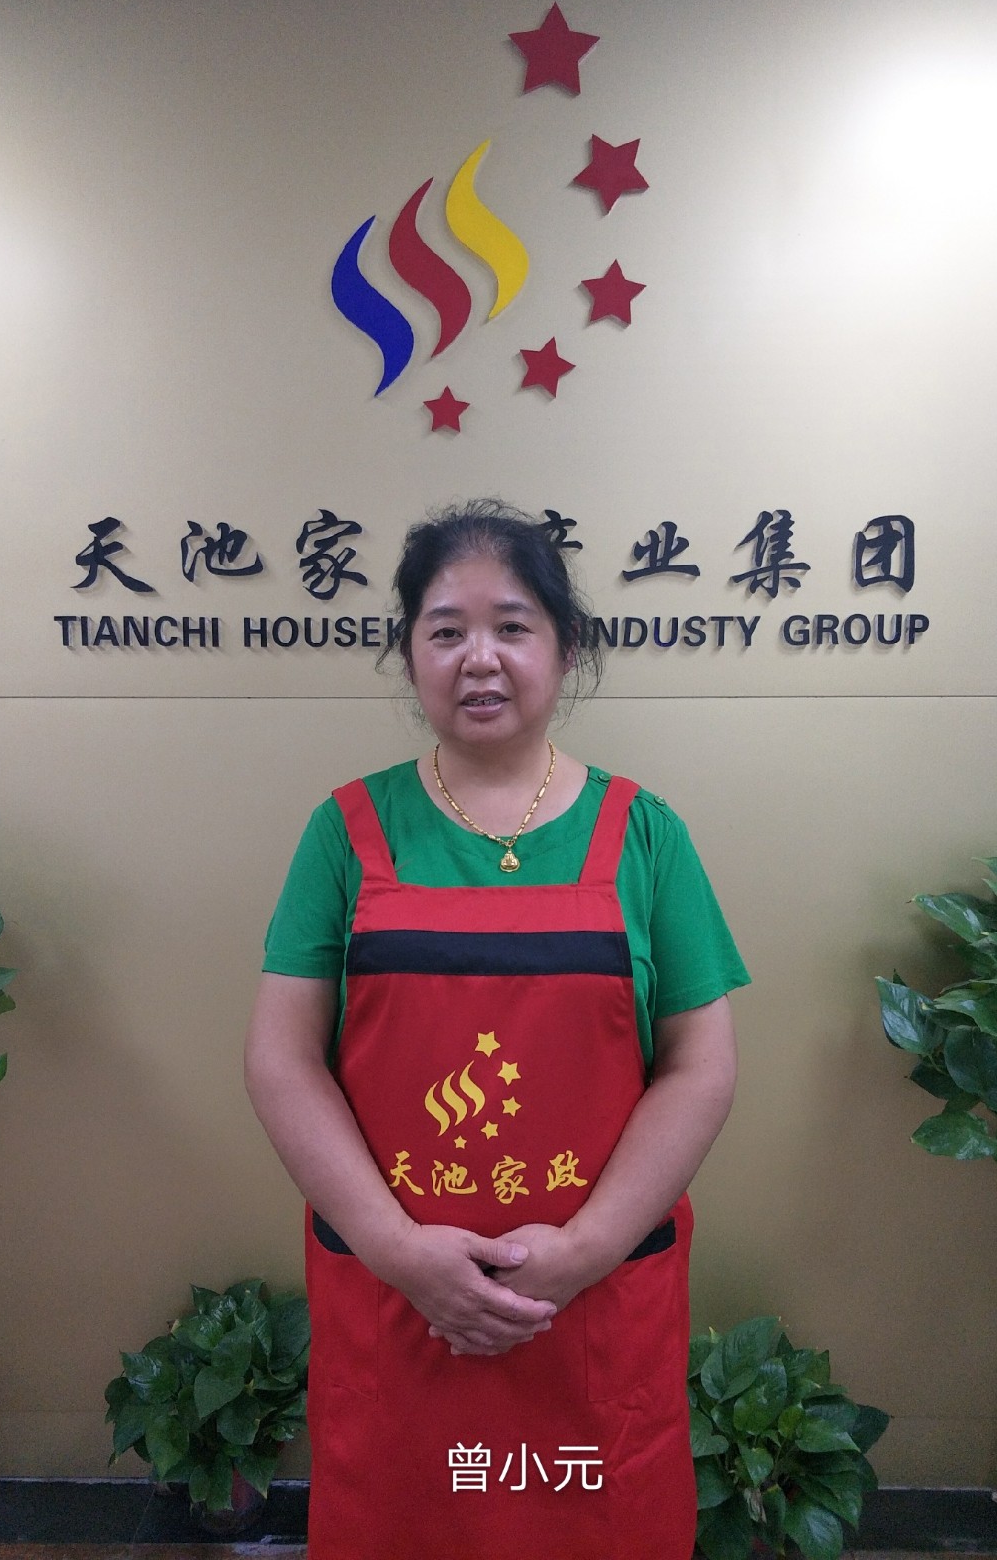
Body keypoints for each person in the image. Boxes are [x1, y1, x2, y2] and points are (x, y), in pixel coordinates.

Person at [244, 499, 748, 1560]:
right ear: (409, 652)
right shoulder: (346, 831)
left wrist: (586, 1249)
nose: (480, 658)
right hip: (400, 1310)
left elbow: (699, 1068)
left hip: (591, 1310)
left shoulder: (646, 835)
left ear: (565, 647)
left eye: (512, 626)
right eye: (446, 630)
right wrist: (397, 1250)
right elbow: (282, 1061)